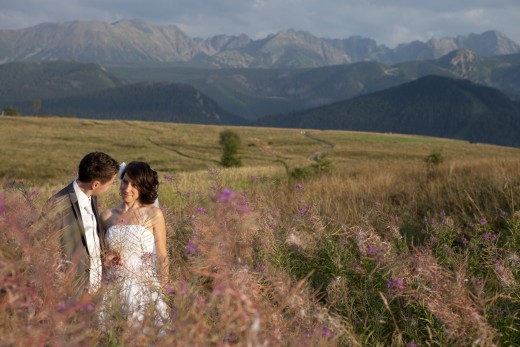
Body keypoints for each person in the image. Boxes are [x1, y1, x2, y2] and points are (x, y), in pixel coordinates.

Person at [100, 161, 169, 325]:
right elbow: (100, 253)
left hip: (145, 286)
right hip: (114, 285)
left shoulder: (153, 214)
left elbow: (162, 253)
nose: (127, 188)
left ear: (143, 187)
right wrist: (106, 259)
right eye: (125, 182)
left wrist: (163, 286)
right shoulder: (106, 216)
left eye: (134, 185)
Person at [46, 152, 119, 295]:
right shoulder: (57, 204)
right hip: (70, 293)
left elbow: (88, 242)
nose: (111, 187)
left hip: (94, 290)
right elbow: (47, 251)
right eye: (111, 183)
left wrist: (103, 258)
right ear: (95, 184)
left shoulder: (92, 198)